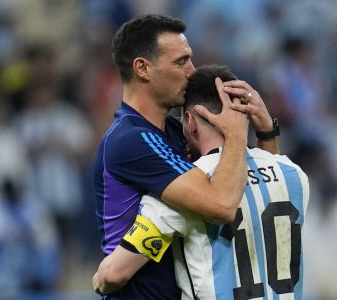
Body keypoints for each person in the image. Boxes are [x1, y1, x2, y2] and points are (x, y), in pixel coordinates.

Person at [93, 15, 278, 299]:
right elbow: (222, 205)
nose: (192, 71)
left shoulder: (175, 133)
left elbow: (259, 191)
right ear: (142, 68)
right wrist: (239, 134)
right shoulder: (131, 140)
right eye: (180, 62)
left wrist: (266, 132)